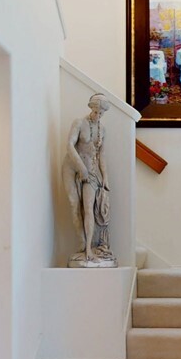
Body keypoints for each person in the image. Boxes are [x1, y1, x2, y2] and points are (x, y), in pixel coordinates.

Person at [63, 94, 114, 267]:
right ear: (91, 108)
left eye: (101, 113)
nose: (98, 115)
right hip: (72, 167)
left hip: (91, 171)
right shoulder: (79, 123)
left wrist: (105, 178)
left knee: (90, 208)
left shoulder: (102, 130)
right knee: (74, 205)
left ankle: (89, 249)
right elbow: (69, 145)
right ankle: (82, 243)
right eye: (96, 111)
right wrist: (80, 168)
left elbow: (102, 155)